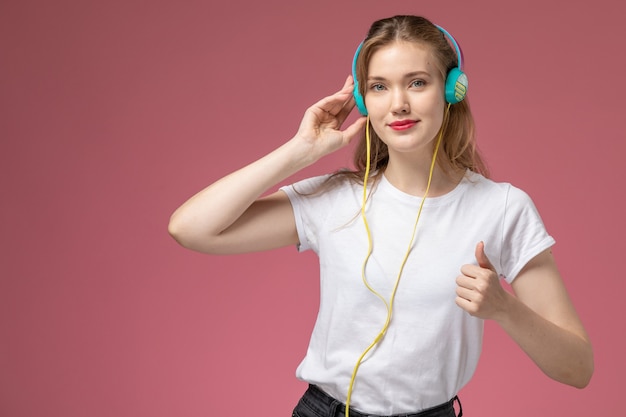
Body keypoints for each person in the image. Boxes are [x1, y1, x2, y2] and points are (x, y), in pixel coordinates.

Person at [168, 15, 593, 417]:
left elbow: (577, 368)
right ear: (362, 100)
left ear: (452, 89)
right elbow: (190, 229)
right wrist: (298, 152)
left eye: (417, 82)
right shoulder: (336, 197)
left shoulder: (502, 207)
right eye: (378, 87)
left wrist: (504, 308)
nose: (398, 104)